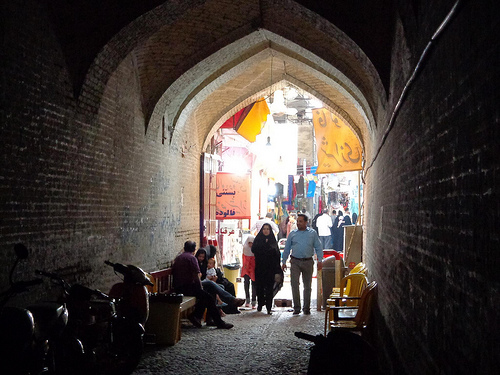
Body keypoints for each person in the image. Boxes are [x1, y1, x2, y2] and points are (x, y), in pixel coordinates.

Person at [171, 241, 233, 329]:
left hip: (178, 288)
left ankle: (197, 316)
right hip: (188, 288)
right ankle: (219, 322)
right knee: (209, 298)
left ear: (185, 248)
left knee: (207, 293)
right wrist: (200, 288)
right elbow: (197, 275)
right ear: (194, 249)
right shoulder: (192, 258)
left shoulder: (178, 258)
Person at [282, 213, 323, 315]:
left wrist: (320, 260)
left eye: (301, 221)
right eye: (298, 221)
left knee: (307, 286)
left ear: (306, 222)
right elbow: (287, 249)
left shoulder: (312, 233)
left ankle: (306, 308)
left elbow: (318, 247)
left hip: (308, 262)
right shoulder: (292, 234)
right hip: (295, 261)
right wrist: (283, 262)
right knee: (294, 284)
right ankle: (296, 307)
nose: (298, 223)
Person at [252, 223, 281, 315]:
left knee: (269, 288)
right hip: (260, 268)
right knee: (259, 287)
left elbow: (277, 254)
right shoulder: (258, 240)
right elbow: (254, 249)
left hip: (270, 269)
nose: (266, 230)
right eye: (264, 229)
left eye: (268, 229)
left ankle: (269, 306)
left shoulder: (273, 241)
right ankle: (260, 304)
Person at [240, 235, 257, 308]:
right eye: (249, 243)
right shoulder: (245, 249)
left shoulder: (256, 250)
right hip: (246, 269)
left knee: (254, 285)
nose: (250, 245)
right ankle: (247, 300)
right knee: (246, 283)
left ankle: (254, 301)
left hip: (253, 269)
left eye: (252, 243)